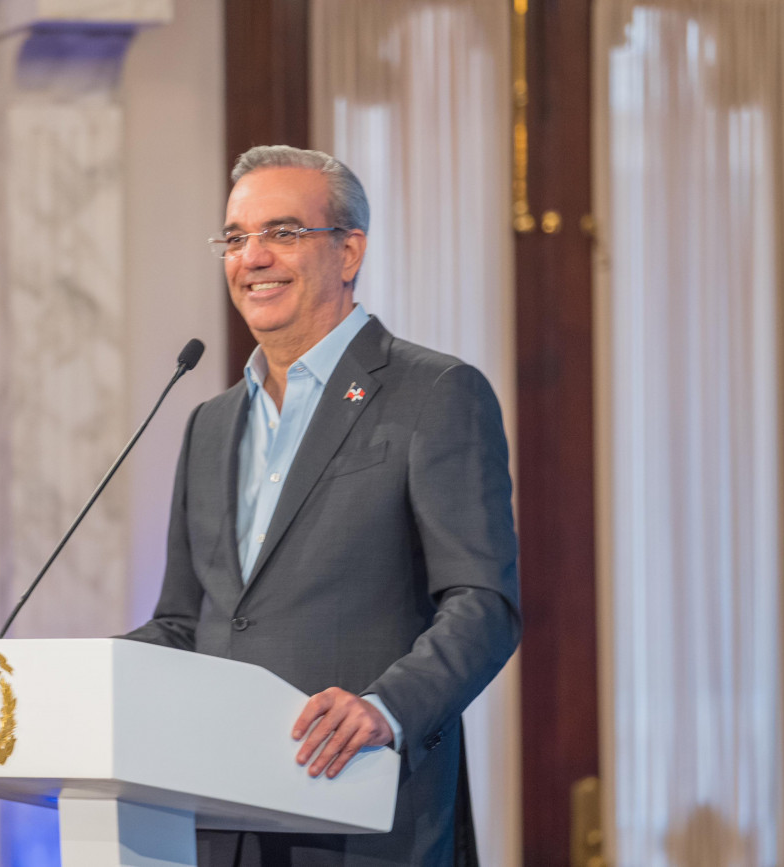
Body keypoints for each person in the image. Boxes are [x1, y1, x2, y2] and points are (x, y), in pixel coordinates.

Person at [123, 145, 520, 866]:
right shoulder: (210, 423)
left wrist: (387, 708)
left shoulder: (434, 393)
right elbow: (186, 622)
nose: (253, 257)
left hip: (362, 812)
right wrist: (84, 677)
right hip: (218, 819)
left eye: (282, 232)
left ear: (349, 251)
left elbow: (483, 602)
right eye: (235, 238)